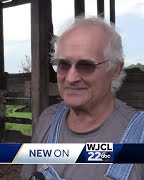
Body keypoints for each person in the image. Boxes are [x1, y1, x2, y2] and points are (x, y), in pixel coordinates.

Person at [21, 17, 144, 180]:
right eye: (64, 64)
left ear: (115, 69)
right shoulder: (48, 120)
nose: (71, 78)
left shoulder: (139, 136)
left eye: (86, 65)